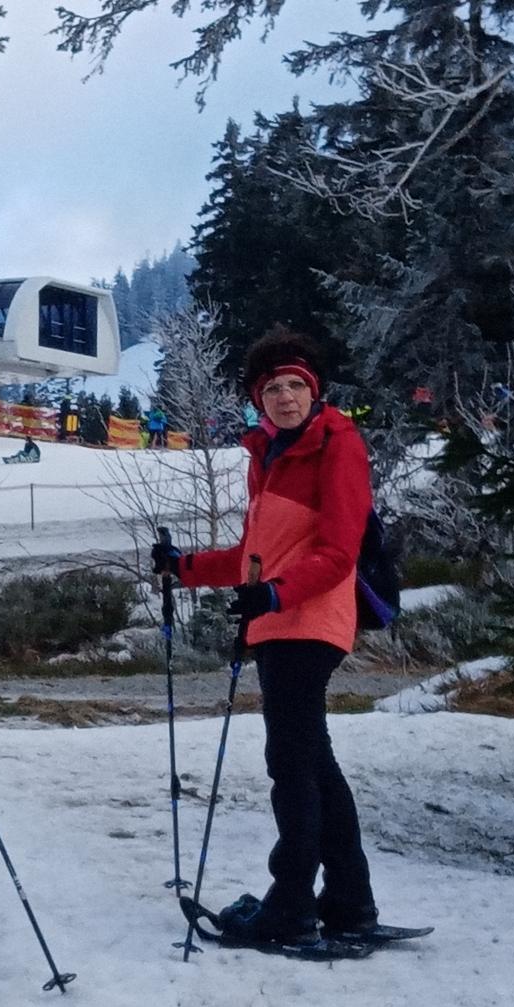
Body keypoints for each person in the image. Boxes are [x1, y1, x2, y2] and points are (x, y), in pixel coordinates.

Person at [152, 327, 379, 948]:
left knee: (291, 767)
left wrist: (276, 594)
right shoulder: (271, 456)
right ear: (258, 399)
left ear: (314, 390)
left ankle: (291, 908)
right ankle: (349, 903)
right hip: (281, 622)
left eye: (295, 385)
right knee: (314, 764)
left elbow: (339, 551)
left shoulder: (337, 444)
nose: (285, 397)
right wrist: (183, 567)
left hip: (309, 621)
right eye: (272, 388)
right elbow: (254, 557)